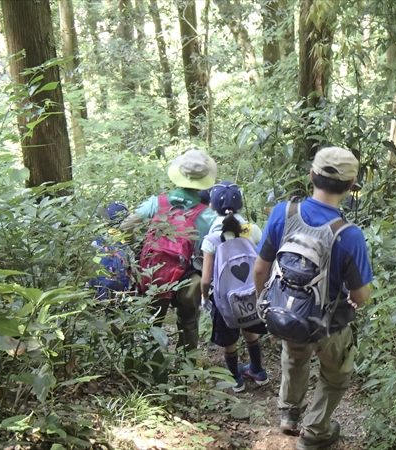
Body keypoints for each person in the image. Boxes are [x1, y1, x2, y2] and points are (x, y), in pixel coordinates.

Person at [253, 147, 373, 450]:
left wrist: (262, 303)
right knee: (336, 375)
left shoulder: (283, 213)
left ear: (311, 176)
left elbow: (260, 267)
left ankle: (289, 414)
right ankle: (315, 431)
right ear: (350, 186)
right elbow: (361, 296)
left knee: (294, 355)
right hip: (328, 324)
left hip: (286, 313)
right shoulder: (350, 235)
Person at [121, 149, 217, 352]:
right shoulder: (208, 215)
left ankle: (153, 368)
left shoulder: (158, 203)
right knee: (188, 322)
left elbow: (125, 225)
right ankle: (186, 368)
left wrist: (138, 248)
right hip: (189, 277)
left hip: (155, 273)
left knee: (152, 323)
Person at [200, 181, 267, 392]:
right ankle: (257, 369)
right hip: (251, 293)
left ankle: (234, 377)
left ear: (211, 206)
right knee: (250, 325)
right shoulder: (253, 230)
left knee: (229, 338)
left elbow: (205, 279)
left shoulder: (211, 239)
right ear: (240, 204)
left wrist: (204, 298)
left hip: (224, 299)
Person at [87, 202, 136, 301]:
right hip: (120, 295)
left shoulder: (95, 243)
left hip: (97, 295)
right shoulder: (125, 247)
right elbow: (134, 271)